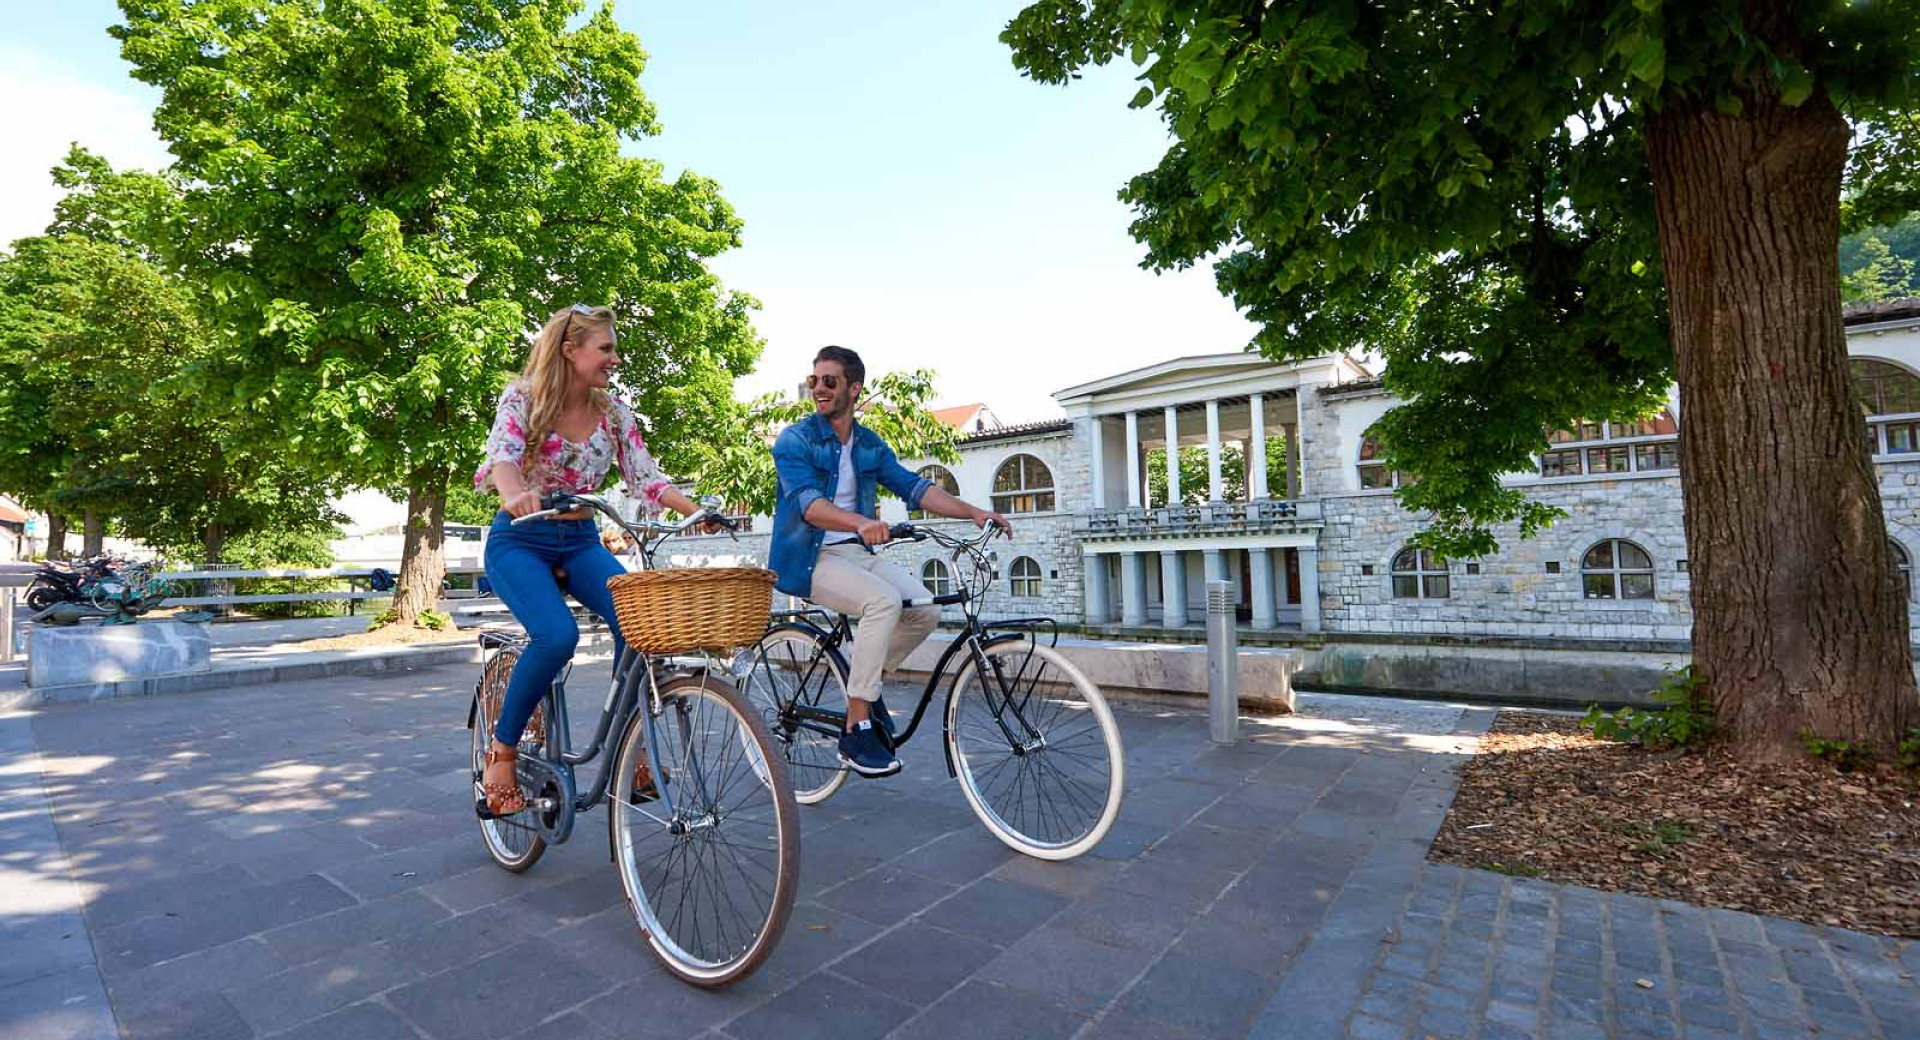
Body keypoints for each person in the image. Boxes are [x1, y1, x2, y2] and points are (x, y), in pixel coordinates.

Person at [473, 304, 714, 815]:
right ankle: (503, 751)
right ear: (570, 350)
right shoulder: (523, 398)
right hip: (521, 539)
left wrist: (700, 512)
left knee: (639, 627)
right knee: (557, 637)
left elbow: (646, 478)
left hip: (581, 540)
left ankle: (636, 752)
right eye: (605, 348)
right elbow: (504, 461)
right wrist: (516, 494)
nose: (615, 358)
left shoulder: (613, 413)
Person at [769, 345, 1011, 777]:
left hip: (856, 554)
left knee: (924, 608)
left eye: (829, 381)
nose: (818, 389)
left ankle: (863, 681)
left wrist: (974, 510)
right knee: (882, 601)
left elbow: (915, 489)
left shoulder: (867, 445)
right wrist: (861, 521)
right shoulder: (795, 440)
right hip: (809, 557)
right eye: (814, 381)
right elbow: (807, 504)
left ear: (853, 388)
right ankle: (857, 725)